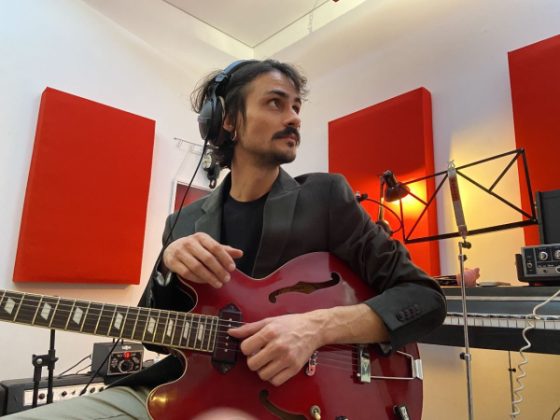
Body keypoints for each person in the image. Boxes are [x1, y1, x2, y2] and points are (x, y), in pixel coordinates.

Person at [5, 59, 446, 419]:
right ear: (227, 120)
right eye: (275, 103)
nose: (294, 117)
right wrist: (167, 265)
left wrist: (314, 328)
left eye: (296, 106)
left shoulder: (326, 197)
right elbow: (155, 335)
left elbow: (424, 299)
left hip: (297, 404)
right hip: (187, 392)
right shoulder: (183, 221)